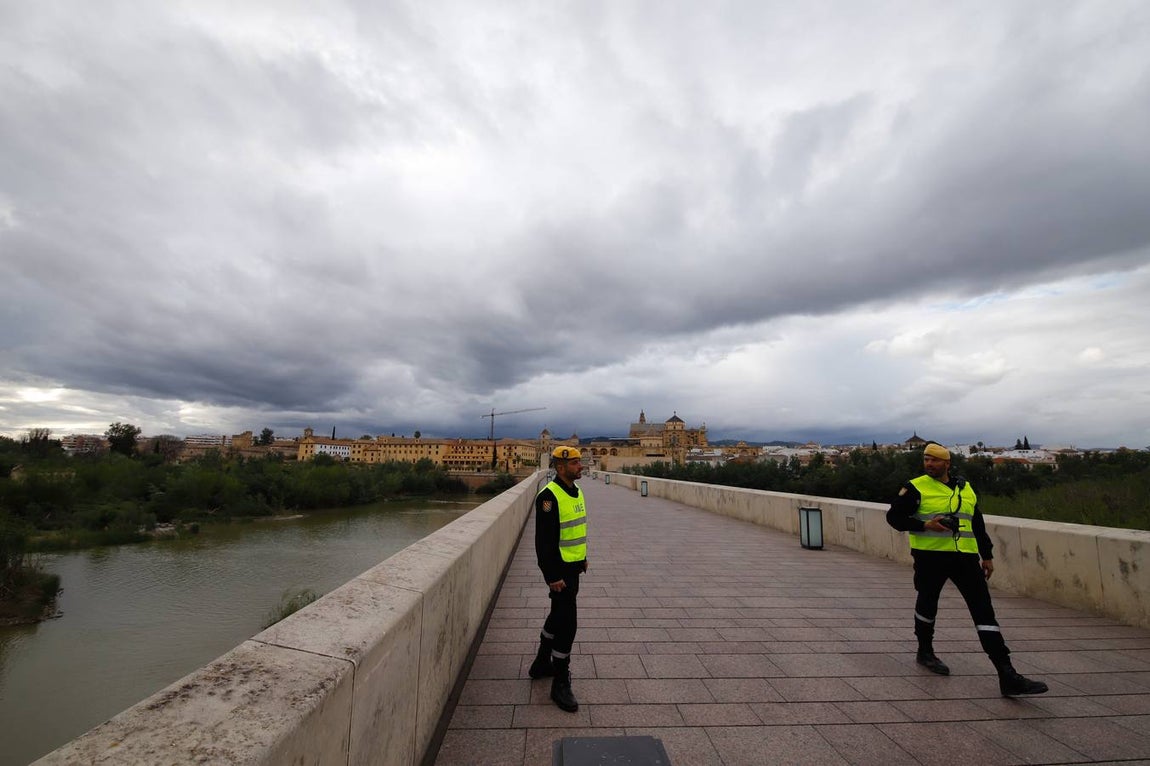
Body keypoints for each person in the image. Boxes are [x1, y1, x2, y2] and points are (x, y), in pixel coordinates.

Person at [886, 442, 1048, 697]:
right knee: (927, 604)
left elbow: (977, 523)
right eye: (926, 459)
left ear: (947, 463)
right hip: (931, 557)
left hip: (965, 558)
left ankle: (1006, 674)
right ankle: (925, 651)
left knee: (984, 611)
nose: (929, 464)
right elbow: (894, 518)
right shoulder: (916, 487)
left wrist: (987, 555)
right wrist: (926, 525)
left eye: (935, 460)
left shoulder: (966, 488)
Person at [528, 446, 588, 712]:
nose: (580, 466)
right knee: (568, 623)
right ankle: (560, 681)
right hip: (559, 572)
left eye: (580, 462)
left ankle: (542, 662)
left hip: (573, 567)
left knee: (557, 615)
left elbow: (576, 529)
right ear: (560, 467)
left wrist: (582, 558)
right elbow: (544, 543)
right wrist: (551, 576)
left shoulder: (577, 492)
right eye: (575, 463)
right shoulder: (548, 497)